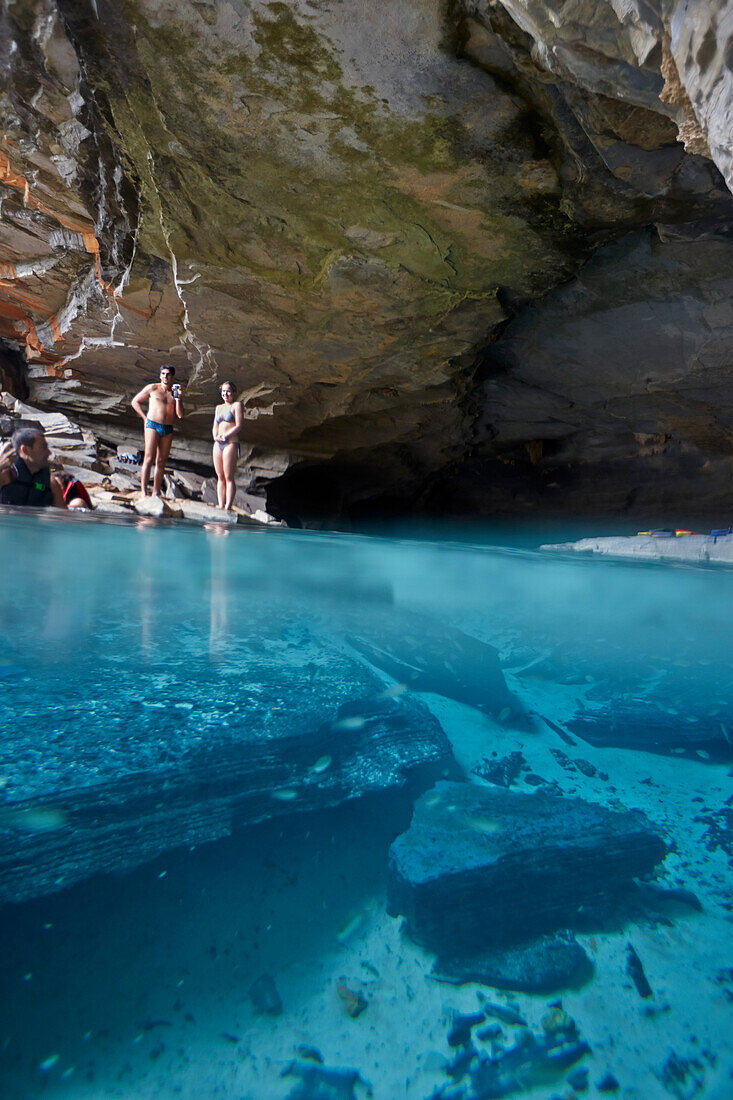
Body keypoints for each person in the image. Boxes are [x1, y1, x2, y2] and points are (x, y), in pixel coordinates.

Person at [131, 365, 184, 496]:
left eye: (168, 374)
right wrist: (144, 418)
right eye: (163, 374)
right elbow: (135, 402)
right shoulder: (152, 388)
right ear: (160, 375)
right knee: (149, 458)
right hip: (152, 425)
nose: (165, 377)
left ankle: (156, 491)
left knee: (161, 461)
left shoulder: (174, 392)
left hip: (167, 428)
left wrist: (179, 399)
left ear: (172, 377)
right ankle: (143, 491)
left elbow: (180, 414)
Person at [0, 428, 66, 508]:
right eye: (43, 447)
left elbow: (62, 517)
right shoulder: (6, 477)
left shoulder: (51, 484)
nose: (49, 452)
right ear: (25, 450)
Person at [212, 381, 243, 510]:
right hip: (218, 443)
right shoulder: (218, 408)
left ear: (234, 393)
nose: (225, 393)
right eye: (223, 391)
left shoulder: (237, 405)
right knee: (220, 476)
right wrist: (215, 436)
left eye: (228, 391)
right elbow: (215, 426)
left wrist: (226, 436)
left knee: (228, 476)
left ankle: (228, 506)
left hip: (230, 442)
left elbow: (239, 425)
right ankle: (221, 504)